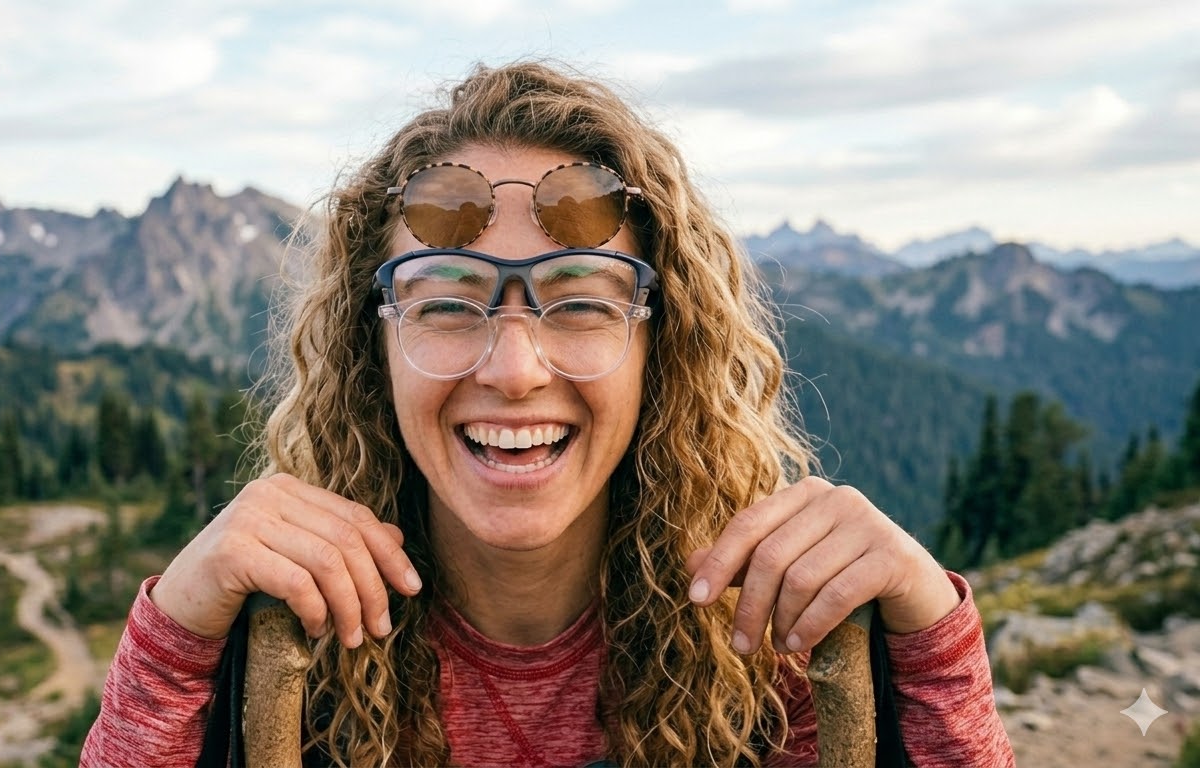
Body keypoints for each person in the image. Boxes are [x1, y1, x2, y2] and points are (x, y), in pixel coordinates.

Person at [82, 61, 1013, 767]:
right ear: (373, 349)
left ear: (663, 347)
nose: (515, 369)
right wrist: (174, 642)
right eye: (448, 304)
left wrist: (930, 649)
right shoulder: (277, 643)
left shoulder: (778, 650)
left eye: (581, 303)